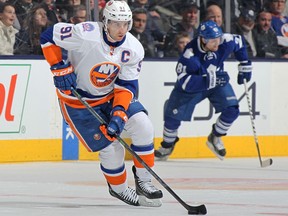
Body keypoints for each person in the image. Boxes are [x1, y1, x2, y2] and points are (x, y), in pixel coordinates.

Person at [40, 0, 162, 207]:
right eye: (116, 23)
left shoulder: (133, 48)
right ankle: (119, 189)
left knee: (143, 125)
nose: (121, 29)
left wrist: (119, 113)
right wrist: (58, 67)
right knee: (110, 147)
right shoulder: (85, 34)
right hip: (78, 103)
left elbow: (127, 85)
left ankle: (144, 180)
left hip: (110, 96)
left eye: (125, 24)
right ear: (105, 21)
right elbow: (48, 36)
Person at [154, 20, 252, 161]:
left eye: (218, 39)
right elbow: (186, 82)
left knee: (232, 109)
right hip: (194, 86)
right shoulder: (190, 55)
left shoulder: (225, 41)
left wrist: (245, 64)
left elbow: (240, 42)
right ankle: (167, 145)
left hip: (217, 81)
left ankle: (215, 137)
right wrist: (207, 81)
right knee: (172, 117)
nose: (217, 44)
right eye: (213, 41)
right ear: (203, 39)